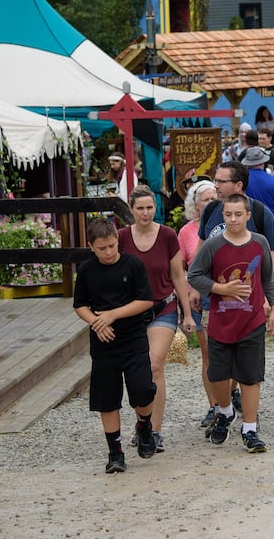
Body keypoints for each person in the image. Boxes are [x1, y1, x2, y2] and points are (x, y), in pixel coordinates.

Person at [185, 194, 274, 452]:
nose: (233, 219)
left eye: (238, 214)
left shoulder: (259, 243)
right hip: (220, 322)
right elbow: (194, 274)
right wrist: (220, 287)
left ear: (248, 215)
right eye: (228, 214)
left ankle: (250, 429)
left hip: (251, 321)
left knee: (250, 377)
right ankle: (225, 412)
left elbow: (268, 278)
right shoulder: (213, 245)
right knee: (218, 375)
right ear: (223, 215)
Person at [75, 218, 159, 473]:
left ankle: (144, 425)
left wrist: (112, 315)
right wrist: (97, 322)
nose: (109, 252)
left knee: (143, 389)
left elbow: (145, 300)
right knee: (107, 398)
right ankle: (115, 452)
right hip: (103, 342)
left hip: (133, 337)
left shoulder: (133, 265)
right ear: (91, 246)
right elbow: (80, 305)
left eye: (112, 246)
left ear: (117, 240)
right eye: (102, 248)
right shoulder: (87, 270)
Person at [118, 185, 195, 454]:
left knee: (154, 365)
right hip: (130, 312)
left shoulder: (167, 236)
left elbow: (177, 276)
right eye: (140, 208)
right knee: (135, 370)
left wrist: (186, 314)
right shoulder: (121, 238)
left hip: (162, 307)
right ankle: (141, 422)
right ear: (131, 209)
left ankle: (155, 430)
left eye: (150, 207)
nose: (146, 213)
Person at [178, 180, 228, 428]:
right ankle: (214, 406)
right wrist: (187, 295)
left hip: (224, 294)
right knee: (208, 353)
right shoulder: (186, 232)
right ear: (195, 205)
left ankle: (230, 396)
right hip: (198, 295)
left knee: (229, 350)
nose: (209, 203)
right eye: (204, 200)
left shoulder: (226, 224)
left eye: (213, 198)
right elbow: (181, 268)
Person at [198, 161, 274, 250]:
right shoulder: (210, 210)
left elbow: (273, 254)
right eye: (215, 181)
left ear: (238, 185)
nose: (216, 186)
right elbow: (200, 248)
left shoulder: (260, 213)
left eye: (222, 182)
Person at [240, 146, 274, 222]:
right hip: (270, 222)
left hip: (247, 223)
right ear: (263, 162)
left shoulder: (240, 181)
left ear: (247, 163)